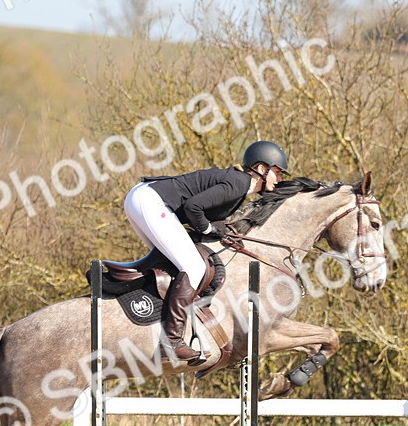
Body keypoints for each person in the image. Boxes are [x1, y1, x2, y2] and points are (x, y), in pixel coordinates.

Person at [124, 140, 290, 362]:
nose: (279, 179)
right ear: (261, 168)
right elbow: (193, 207)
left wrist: (215, 229)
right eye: (277, 173)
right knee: (194, 267)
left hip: (142, 198)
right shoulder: (240, 184)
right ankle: (171, 342)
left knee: (172, 263)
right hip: (151, 202)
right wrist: (209, 229)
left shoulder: (239, 185)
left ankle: (144, 318)